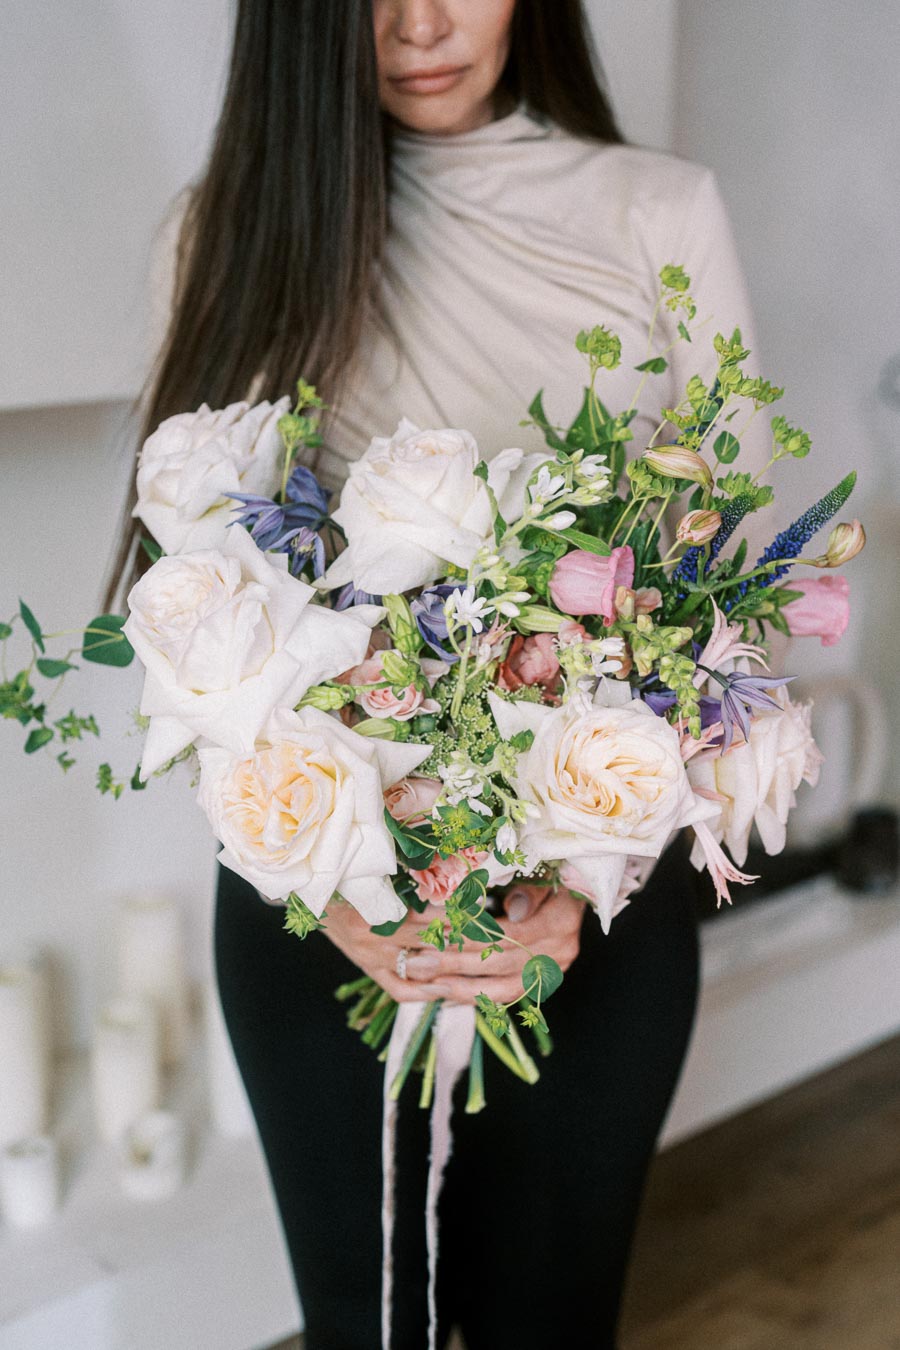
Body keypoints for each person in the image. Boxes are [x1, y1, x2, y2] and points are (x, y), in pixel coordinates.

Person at [104, 3, 771, 1346]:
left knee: (551, 1322)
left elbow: (729, 602)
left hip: (597, 905)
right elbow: (194, 617)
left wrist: (577, 878)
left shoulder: (661, 212)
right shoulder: (229, 228)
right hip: (313, 906)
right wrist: (328, 878)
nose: (417, 22)